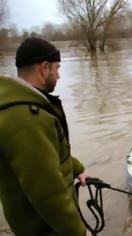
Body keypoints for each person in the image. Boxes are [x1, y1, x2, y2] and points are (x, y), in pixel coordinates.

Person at [0, 37, 90, 236]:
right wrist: (78, 232)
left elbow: (49, 153)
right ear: (44, 68)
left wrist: (77, 169)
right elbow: (47, 192)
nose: (58, 76)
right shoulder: (25, 117)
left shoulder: (27, 104)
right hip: (45, 228)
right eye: (57, 68)